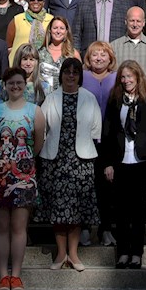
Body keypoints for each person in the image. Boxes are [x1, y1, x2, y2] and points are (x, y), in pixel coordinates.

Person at [38, 56, 101, 270]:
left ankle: (73, 255)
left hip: (80, 161)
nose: (71, 76)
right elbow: (43, 128)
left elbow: (95, 129)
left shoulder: (89, 98)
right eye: (67, 72)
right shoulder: (51, 98)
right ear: (61, 75)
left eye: (75, 72)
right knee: (58, 211)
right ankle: (60, 254)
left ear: (80, 76)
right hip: (55, 161)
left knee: (76, 211)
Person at [99, 60, 146, 269]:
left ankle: (137, 253)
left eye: (130, 76)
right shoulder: (115, 99)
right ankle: (123, 253)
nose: (126, 81)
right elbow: (107, 132)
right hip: (120, 160)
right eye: (123, 77)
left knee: (138, 210)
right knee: (121, 210)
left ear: (138, 76)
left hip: (141, 161)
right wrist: (108, 163)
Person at [0, 66, 41, 290]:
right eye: (11, 84)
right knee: (1, 226)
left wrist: (24, 161)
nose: (15, 87)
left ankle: (16, 274)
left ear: (25, 85)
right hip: (1, 173)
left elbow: (38, 142)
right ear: (5, 86)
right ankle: (2, 275)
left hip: (25, 171)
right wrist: (2, 162)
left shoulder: (35, 111)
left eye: (19, 83)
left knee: (19, 226)